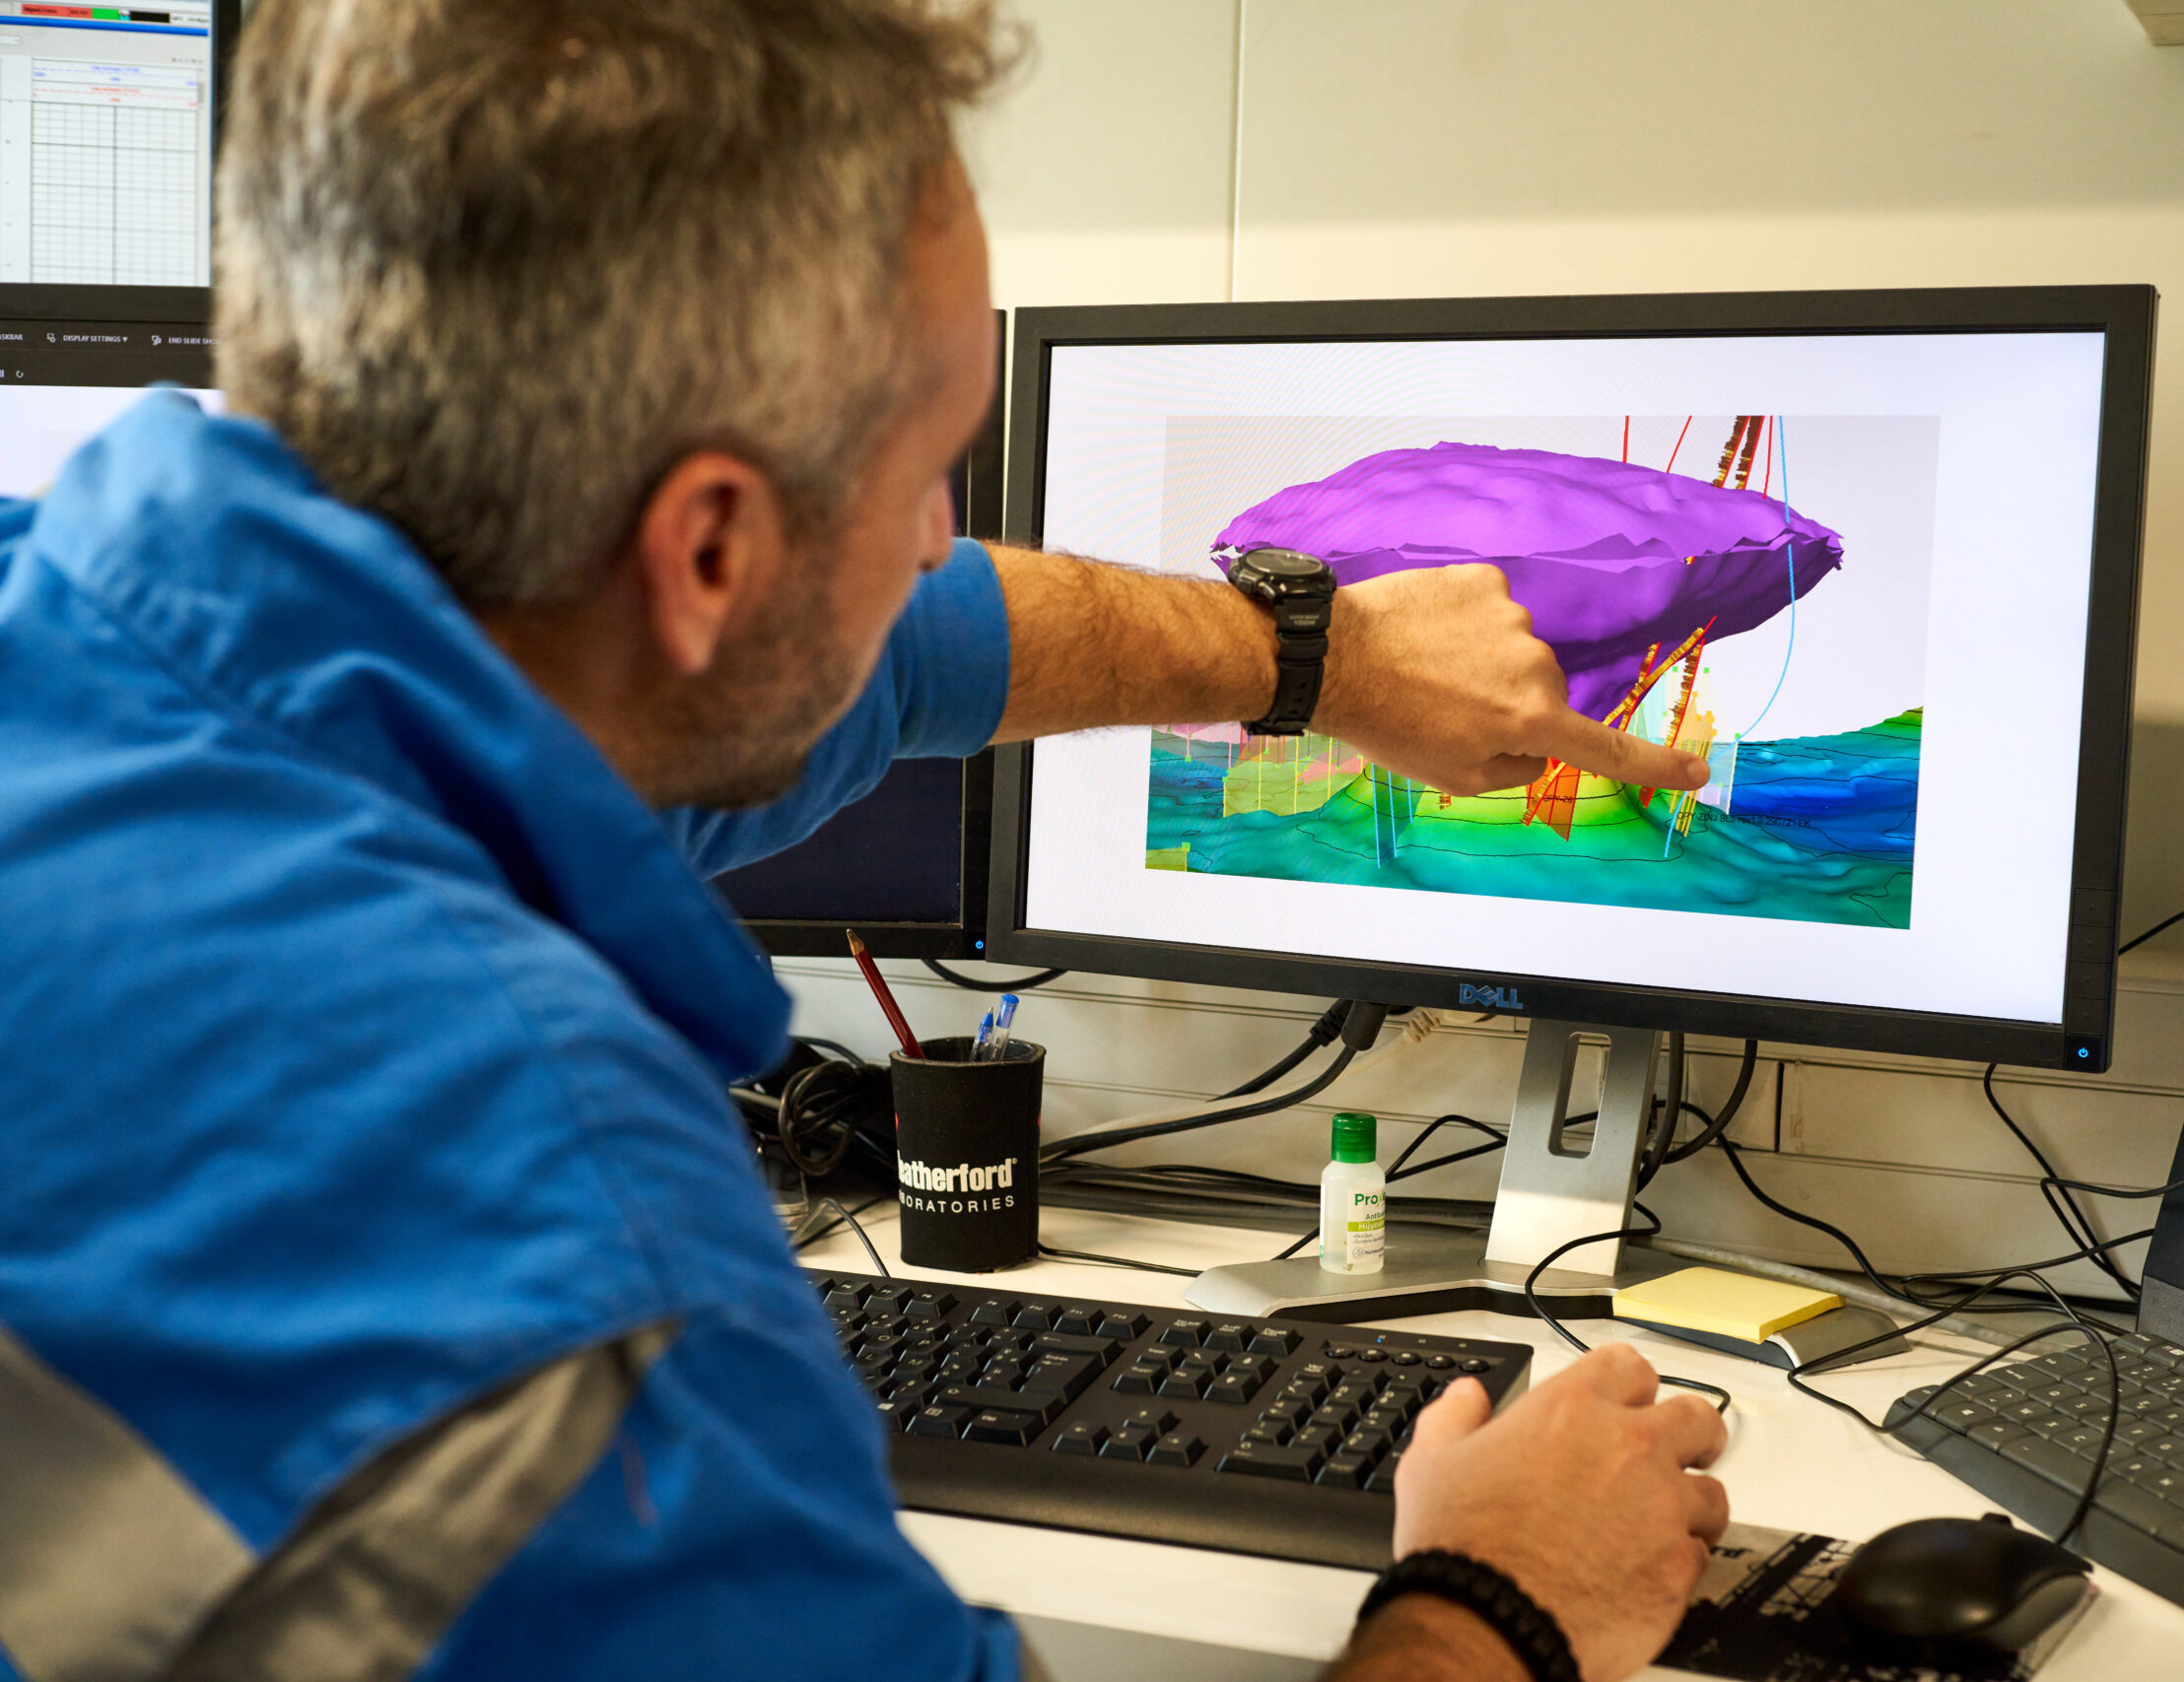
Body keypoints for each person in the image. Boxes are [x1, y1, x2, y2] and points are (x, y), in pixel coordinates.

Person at [0, 3, 1728, 1680]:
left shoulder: (85, 631)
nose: (943, 543)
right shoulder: (566, 1263)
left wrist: (1315, 655)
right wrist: (1497, 1602)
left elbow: (917, 645)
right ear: (705, 557)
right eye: (929, 473)